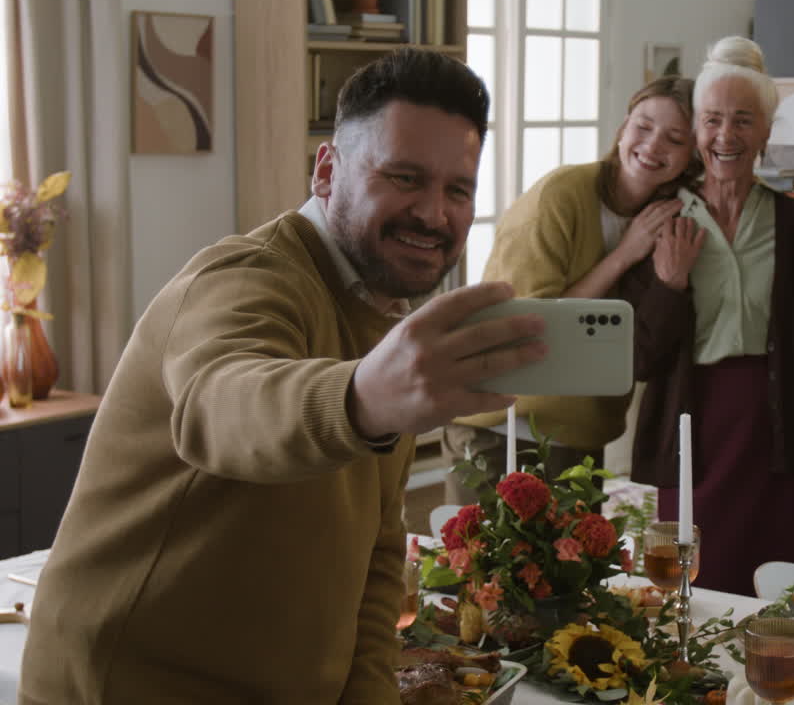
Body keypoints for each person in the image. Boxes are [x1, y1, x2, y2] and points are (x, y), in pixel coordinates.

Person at [19, 49, 547, 704]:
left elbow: (377, 562)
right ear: (327, 171)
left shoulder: (386, 319)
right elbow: (225, 404)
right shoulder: (245, 279)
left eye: (457, 189)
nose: (435, 214)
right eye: (404, 177)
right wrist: (361, 399)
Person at [619, 36, 794, 596]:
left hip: (782, 426)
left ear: (765, 130)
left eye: (743, 120)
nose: (726, 136)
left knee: (787, 592)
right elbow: (638, 356)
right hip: (693, 425)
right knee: (698, 584)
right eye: (712, 120)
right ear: (696, 130)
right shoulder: (661, 218)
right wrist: (668, 284)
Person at [446, 77, 700, 490]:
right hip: (499, 421)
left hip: (579, 430)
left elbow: (649, 341)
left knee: (577, 555)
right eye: (644, 125)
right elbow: (529, 320)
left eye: (674, 138)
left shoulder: (673, 219)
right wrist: (624, 254)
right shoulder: (560, 195)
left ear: (691, 156)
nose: (653, 145)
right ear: (623, 127)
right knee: (479, 555)